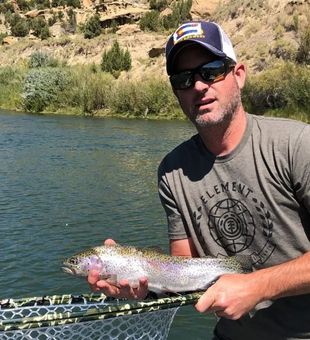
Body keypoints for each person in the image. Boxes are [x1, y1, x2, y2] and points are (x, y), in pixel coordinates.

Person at [88, 21, 310, 339]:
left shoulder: (297, 144)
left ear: (239, 74)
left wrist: (257, 285)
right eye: (184, 79)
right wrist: (138, 283)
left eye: (212, 71)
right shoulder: (172, 171)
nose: (198, 86)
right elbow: (183, 271)